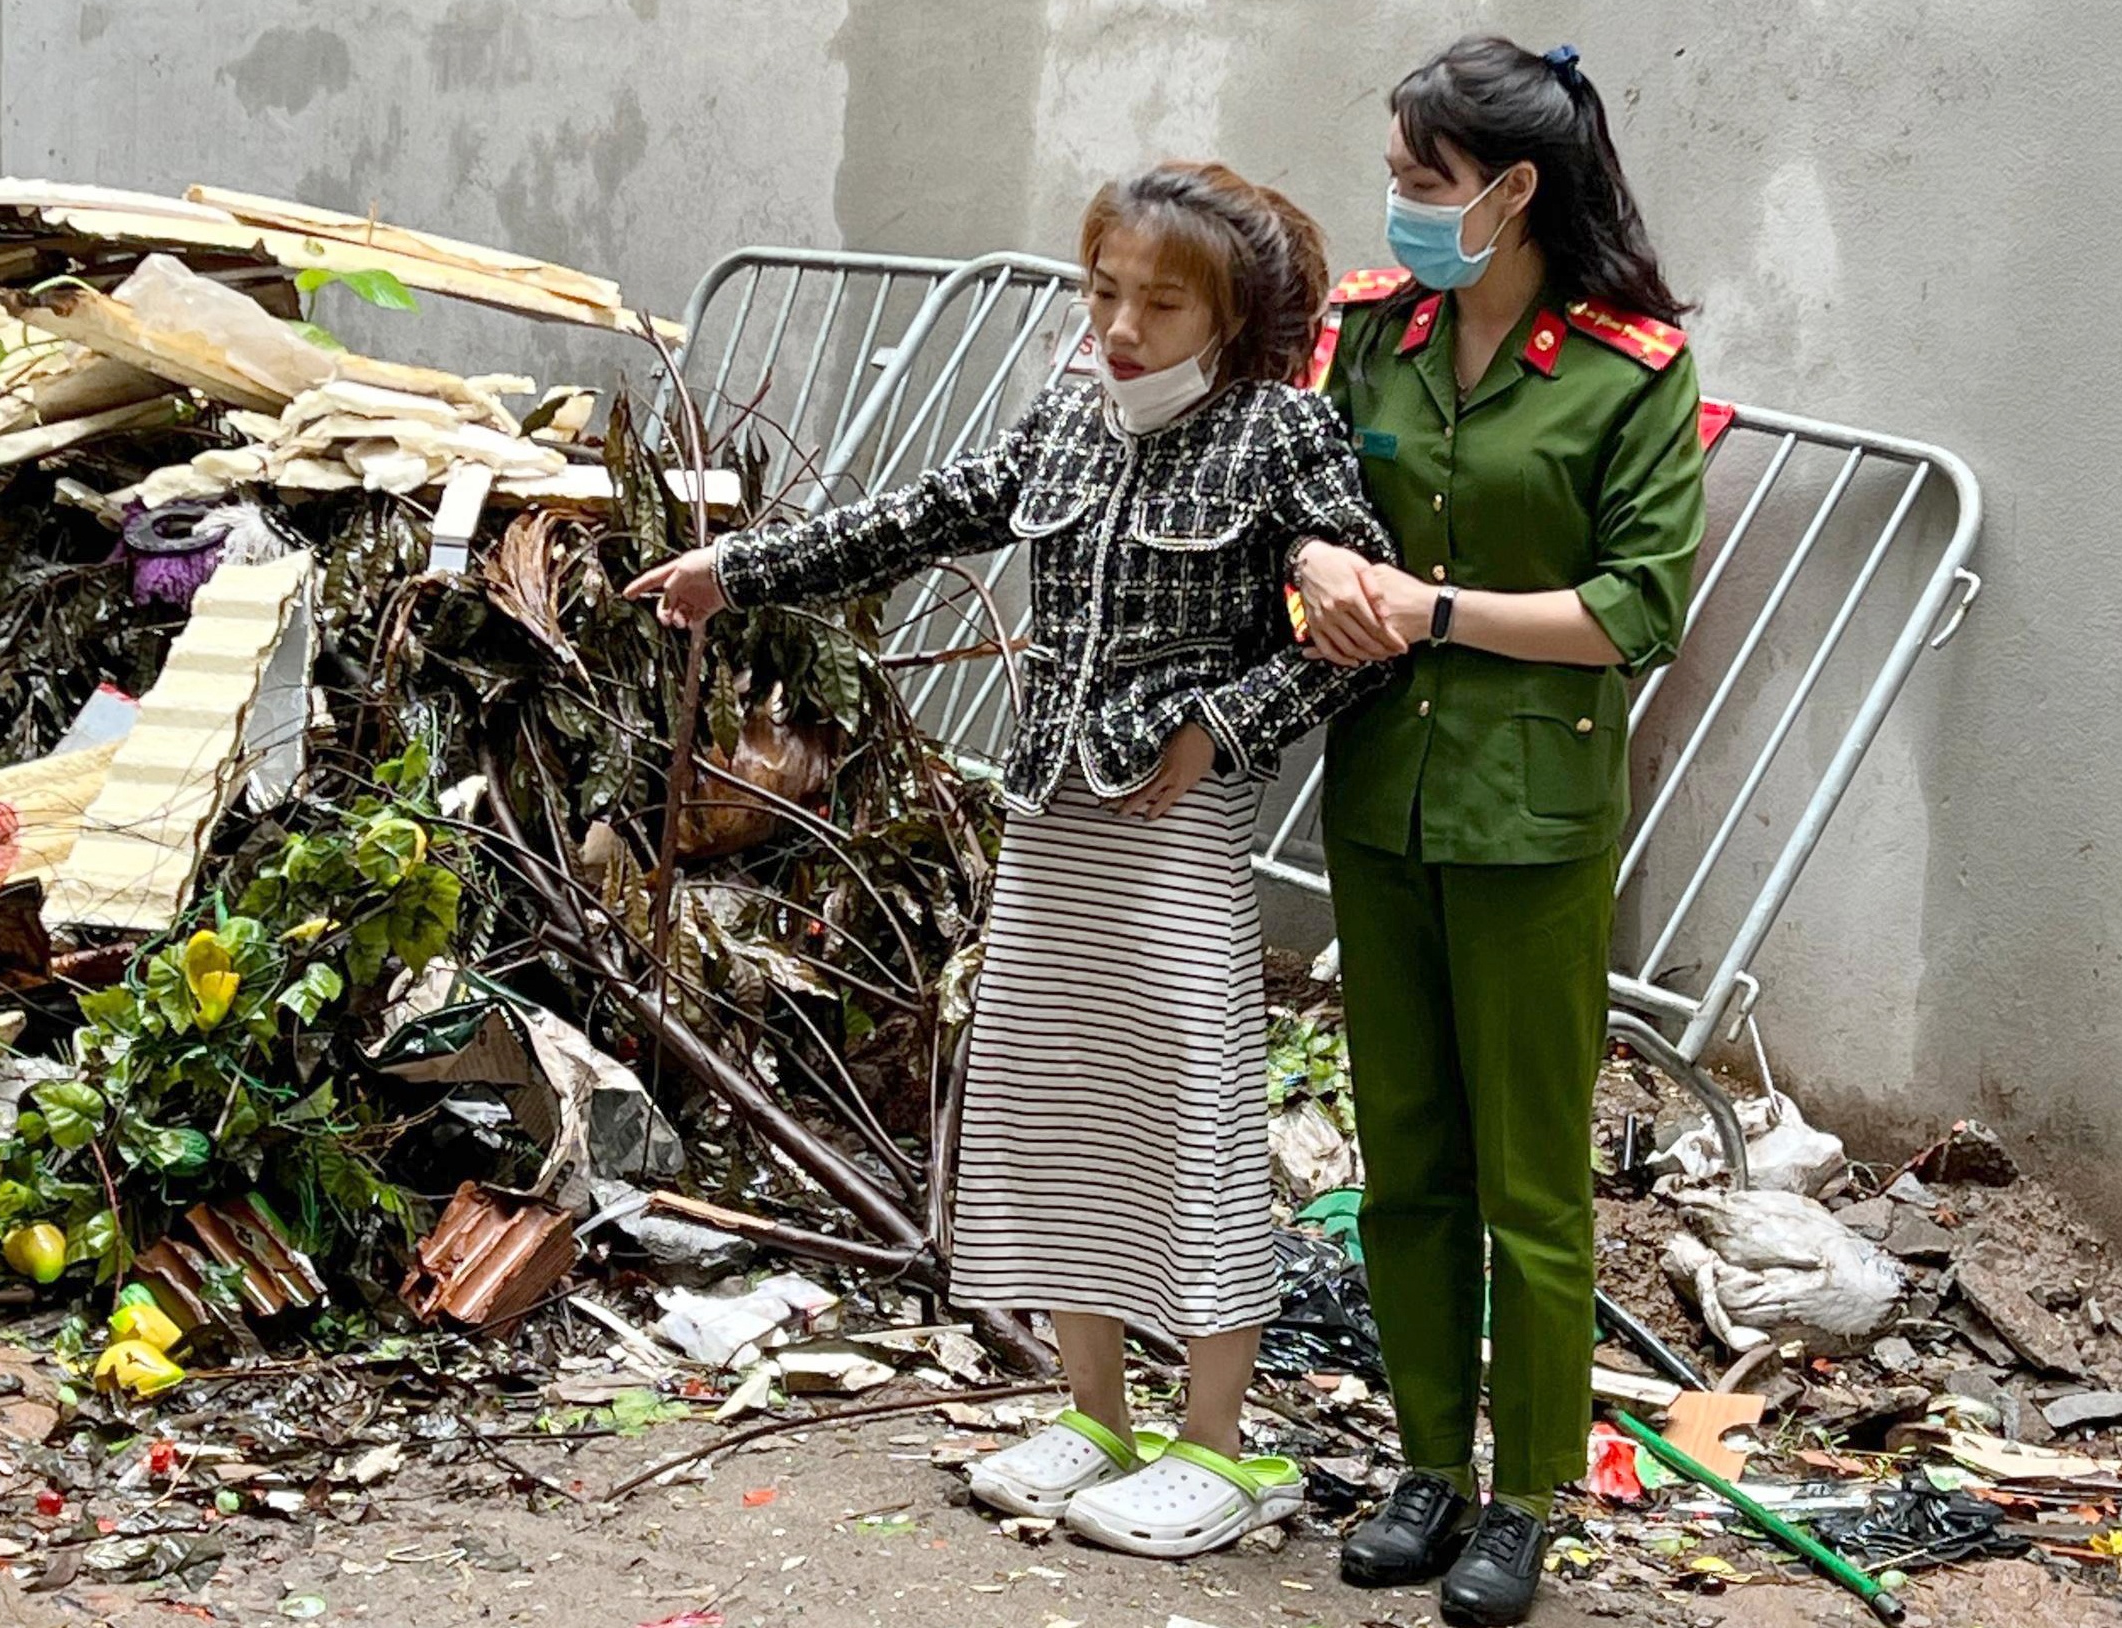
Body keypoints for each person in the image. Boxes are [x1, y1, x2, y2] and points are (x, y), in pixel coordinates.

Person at [628, 161, 1398, 1560]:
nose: (1121, 324)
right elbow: (927, 515)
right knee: (1051, 1105)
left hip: (1175, 831)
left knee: (1193, 1114)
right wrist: (733, 570)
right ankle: (1097, 1413)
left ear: (1230, 315)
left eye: (1161, 303)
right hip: (1052, 815)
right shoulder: (1065, 410)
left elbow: (1353, 633)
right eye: (1105, 290)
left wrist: (1220, 729)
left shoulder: (1284, 435)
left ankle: (1221, 1449)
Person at [1293, 37, 1707, 1627]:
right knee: (1405, 1161)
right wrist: (1318, 572)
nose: (1396, 208)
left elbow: (1638, 607)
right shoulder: (1368, 337)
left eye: (1422, 184)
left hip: (1531, 817)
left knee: (1531, 1180)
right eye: (1397, 179)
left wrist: (1436, 608)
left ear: (1515, 191)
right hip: (1380, 795)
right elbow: (1309, 515)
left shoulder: (1629, 368)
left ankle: (1526, 1494)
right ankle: (1424, 1465)